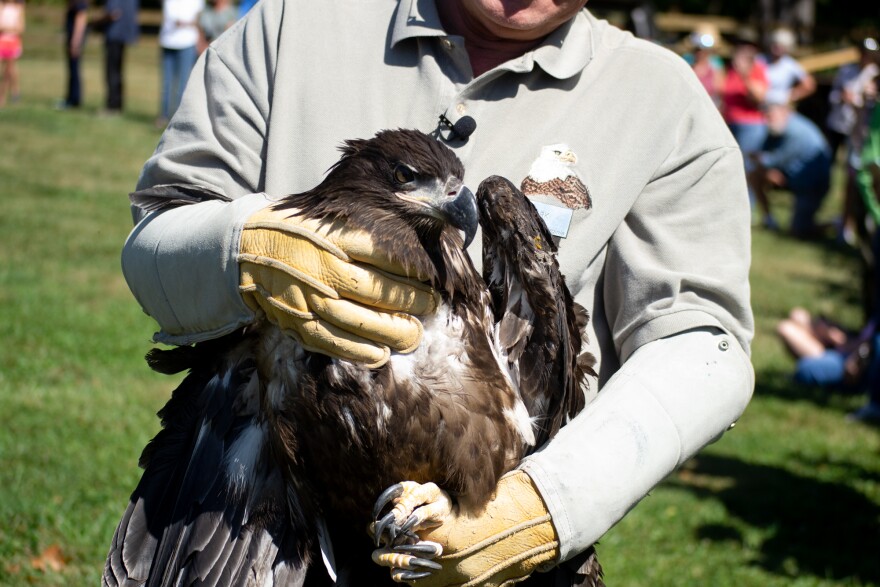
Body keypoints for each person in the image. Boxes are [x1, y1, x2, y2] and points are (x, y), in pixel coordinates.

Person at [121, 0, 755, 584]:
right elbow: (155, 239)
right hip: (270, 521)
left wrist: (549, 506)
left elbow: (704, 344)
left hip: (496, 540)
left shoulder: (660, 98)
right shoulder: (293, 23)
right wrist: (242, 248)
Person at [748, 99, 832, 238]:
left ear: (785, 112)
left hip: (812, 185)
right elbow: (766, 154)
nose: (767, 119)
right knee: (754, 174)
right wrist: (763, 165)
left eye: (771, 116)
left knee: (799, 231)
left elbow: (776, 159)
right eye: (766, 116)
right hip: (793, 177)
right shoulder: (776, 127)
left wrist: (759, 159)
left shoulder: (796, 131)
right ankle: (768, 219)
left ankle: (835, 224)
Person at [721, 26, 769, 220]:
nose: (742, 49)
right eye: (739, 45)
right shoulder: (728, 69)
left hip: (751, 126)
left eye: (747, 45)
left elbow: (758, 98)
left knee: (747, 168)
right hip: (730, 122)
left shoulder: (758, 70)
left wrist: (745, 74)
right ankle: (730, 208)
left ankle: (745, 211)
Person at [156, 0, 203, 127]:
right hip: (167, 41)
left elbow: (198, 18)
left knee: (183, 83)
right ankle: (163, 115)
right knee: (166, 83)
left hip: (187, 42)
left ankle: (178, 119)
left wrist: (187, 24)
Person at [92, 0, 139, 114]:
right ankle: (117, 105)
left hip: (114, 34)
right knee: (117, 71)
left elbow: (114, 13)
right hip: (123, 34)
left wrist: (96, 21)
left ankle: (112, 106)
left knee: (112, 72)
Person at [764, 26, 816, 107]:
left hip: (780, 107)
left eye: (781, 45)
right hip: (759, 105)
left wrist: (793, 96)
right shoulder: (759, 60)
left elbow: (809, 85)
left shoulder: (790, 64)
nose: (777, 48)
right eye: (775, 44)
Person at [682, 22, 725, 109]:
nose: (701, 51)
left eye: (704, 48)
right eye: (698, 48)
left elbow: (720, 90)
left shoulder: (715, 64)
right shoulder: (687, 61)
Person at [58, 0, 88, 110]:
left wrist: (75, 41)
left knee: (74, 69)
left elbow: (81, 19)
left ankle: (74, 99)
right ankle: (71, 97)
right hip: (72, 38)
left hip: (75, 40)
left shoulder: (80, 2)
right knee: (72, 69)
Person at [0, 0, 24, 107]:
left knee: (9, 69)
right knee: (9, 69)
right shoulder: (2, 6)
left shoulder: (19, 8)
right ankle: (14, 92)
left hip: (13, 42)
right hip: (2, 41)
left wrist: (7, 29)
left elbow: (20, 28)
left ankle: (6, 94)